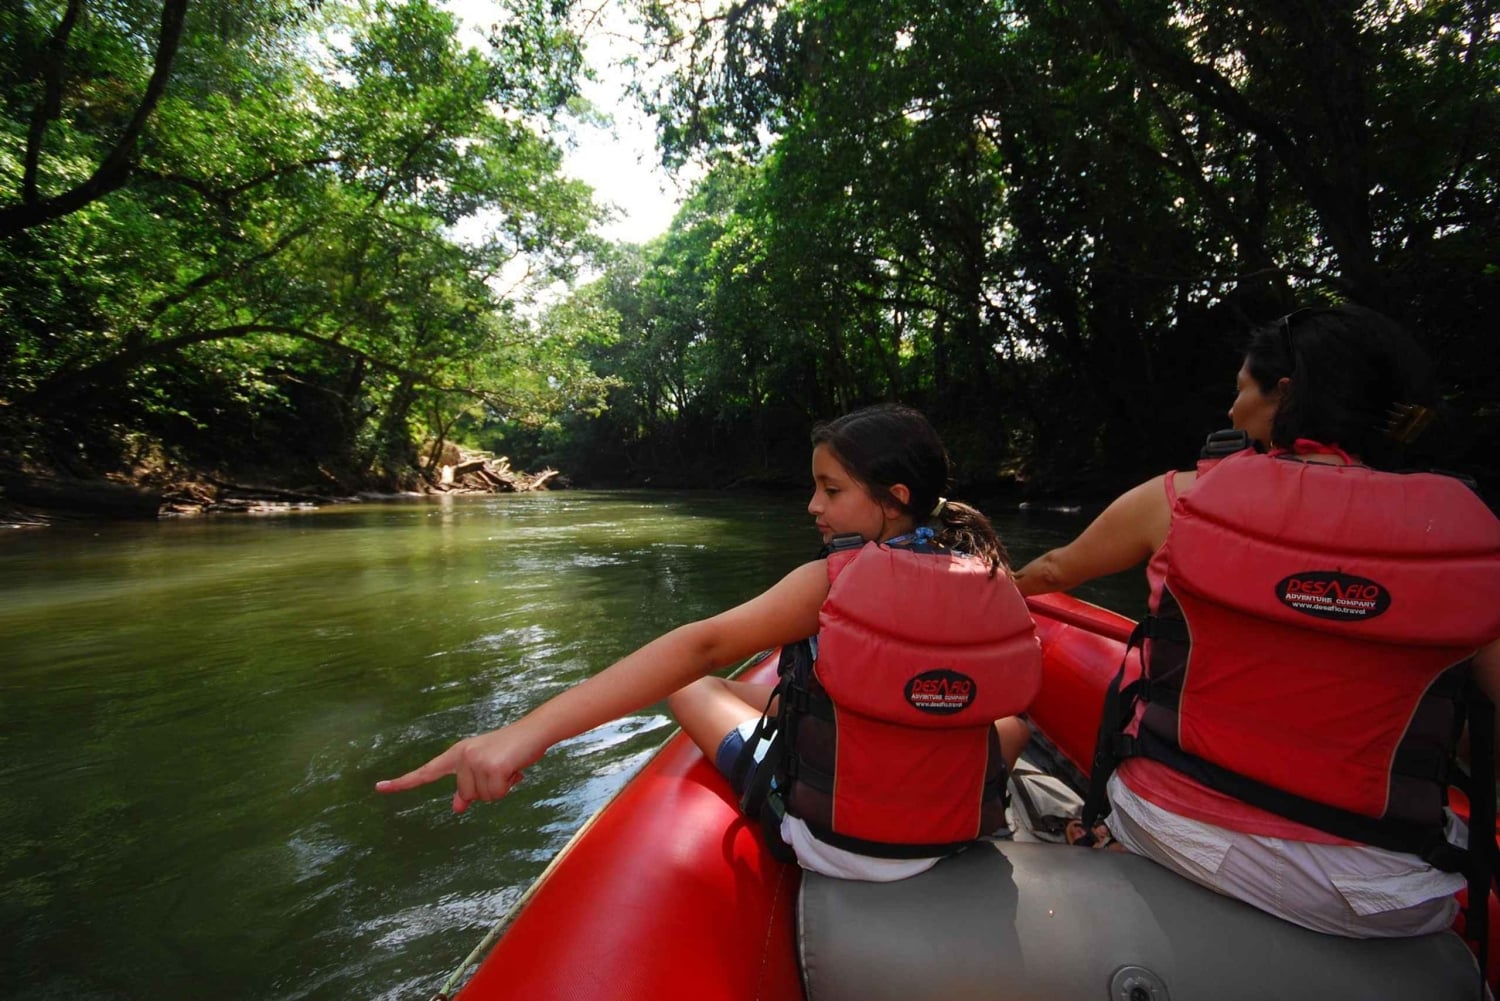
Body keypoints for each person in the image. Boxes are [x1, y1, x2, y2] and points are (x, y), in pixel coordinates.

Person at [379, 403, 1041, 881]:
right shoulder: (985, 569)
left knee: (689, 683)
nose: (813, 506)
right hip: (958, 832)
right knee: (1006, 721)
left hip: (839, 845)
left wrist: (527, 731)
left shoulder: (829, 581)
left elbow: (697, 648)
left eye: (830, 490)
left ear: (894, 498)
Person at [1013, 303, 1500, 938]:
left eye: (1241, 389)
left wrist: (980, 589)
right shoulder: (1468, 544)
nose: (1230, 410)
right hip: (1380, 889)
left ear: (1286, 395)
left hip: (1174, 833)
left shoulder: (1179, 499)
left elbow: (1052, 571)